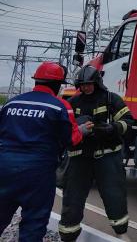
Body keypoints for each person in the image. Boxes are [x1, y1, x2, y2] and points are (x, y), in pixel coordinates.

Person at [0, 62, 89, 242]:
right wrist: (82, 130)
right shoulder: (60, 106)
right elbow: (72, 140)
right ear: (57, 85)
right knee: (34, 222)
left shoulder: (12, 103)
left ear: (36, 81)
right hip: (38, 172)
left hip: (4, 167)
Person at [59, 65, 133, 241]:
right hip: (80, 158)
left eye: (89, 84)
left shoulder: (111, 99)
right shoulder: (73, 102)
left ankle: (121, 232)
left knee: (114, 195)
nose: (86, 87)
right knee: (73, 198)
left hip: (107, 157)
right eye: (83, 84)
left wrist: (112, 128)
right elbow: (64, 128)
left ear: (97, 82)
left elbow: (128, 121)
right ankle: (68, 235)